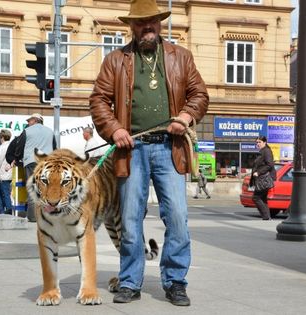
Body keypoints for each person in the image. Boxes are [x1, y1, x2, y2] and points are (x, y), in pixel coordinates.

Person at [89, 0, 209, 307]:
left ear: (160, 23)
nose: (148, 27)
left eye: (153, 22)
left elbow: (199, 94)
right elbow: (99, 100)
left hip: (171, 149)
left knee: (178, 217)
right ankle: (130, 281)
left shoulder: (180, 57)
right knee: (130, 219)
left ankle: (175, 281)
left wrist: (185, 117)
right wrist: (114, 129)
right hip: (133, 150)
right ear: (131, 26)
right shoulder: (115, 60)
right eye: (142, 23)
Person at [18, 113, 57, 222]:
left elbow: (20, 146)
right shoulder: (50, 131)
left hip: (31, 162)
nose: (28, 123)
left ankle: (33, 217)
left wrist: (17, 159)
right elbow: (55, 148)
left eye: (29, 121)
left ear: (35, 120)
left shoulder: (27, 131)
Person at [250, 136, 276, 220]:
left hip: (263, 178)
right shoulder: (262, 151)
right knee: (262, 198)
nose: (258, 144)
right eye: (257, 142)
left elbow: (270, 165)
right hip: (261, 179)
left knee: (256, 197)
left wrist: (258, 172)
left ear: (264, 142)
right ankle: (267, 217)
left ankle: (266, 217)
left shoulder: (266, 151)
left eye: (259, 142)